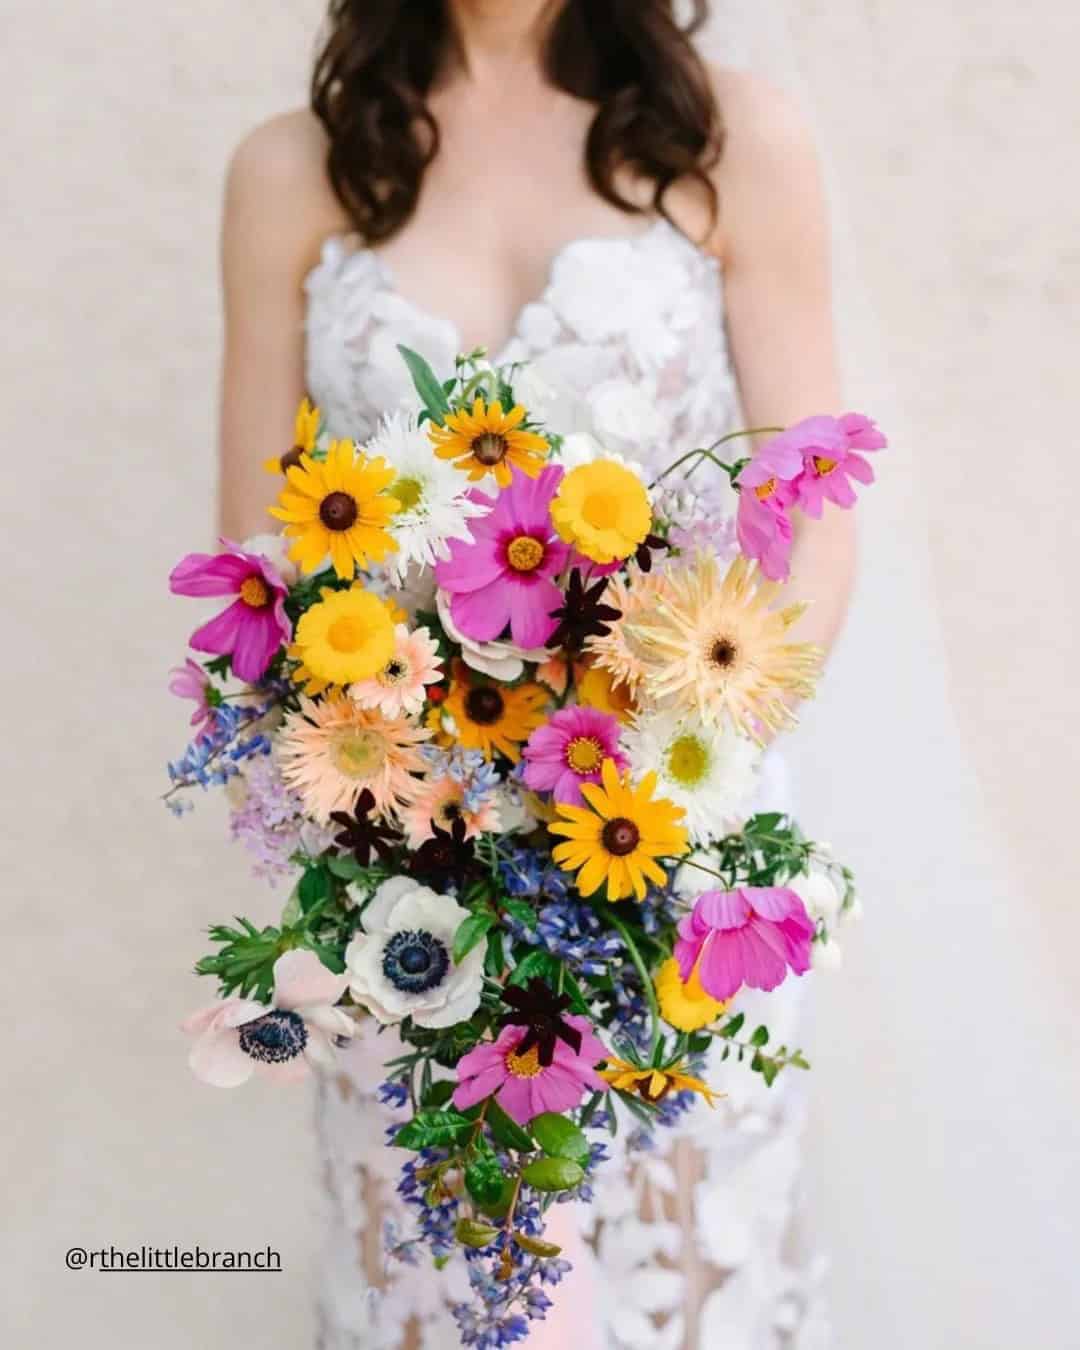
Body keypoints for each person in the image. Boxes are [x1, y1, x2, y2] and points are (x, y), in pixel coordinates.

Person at [218, 3, 846, 1345]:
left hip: (673, 867)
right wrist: (406, 820)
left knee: (685, 1289)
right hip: (405, 888)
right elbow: (259, 569)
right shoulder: (294, 170)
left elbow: (814, 529)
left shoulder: (734, 145)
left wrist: (673, 793)